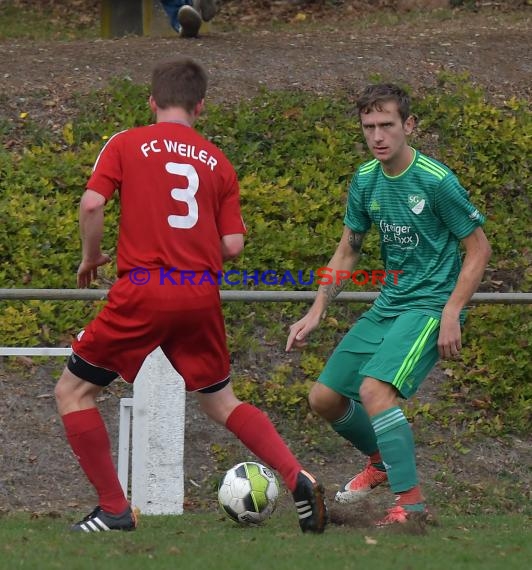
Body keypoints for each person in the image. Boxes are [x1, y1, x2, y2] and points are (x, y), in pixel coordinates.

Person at [54, 57, 328, 534]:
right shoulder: (217, 161)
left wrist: (91, 256)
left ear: (152, 101)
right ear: (200, 105)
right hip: (199, 293)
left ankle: (115, 509)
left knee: (74, 391)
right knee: (220, 400)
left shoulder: (126, 143)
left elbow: (93, 202)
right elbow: (233, 246)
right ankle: (295, 475)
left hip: (144, 289)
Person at [286, 83, 491, 526]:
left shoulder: (436, 182)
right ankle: (380, 459)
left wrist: (452, 311)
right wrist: (317, 309)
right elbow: (348, 250)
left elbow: (478, 250)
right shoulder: (365, 179)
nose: (378, 136)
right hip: (390, 304)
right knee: (323, 397)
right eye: (369, 127)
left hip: (430, 306)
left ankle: (411, 508)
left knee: (374, 391)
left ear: (408, 126)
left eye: (387, 125)